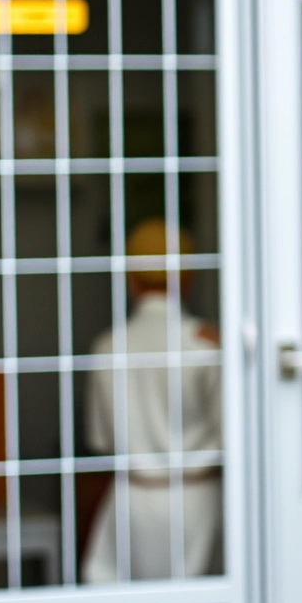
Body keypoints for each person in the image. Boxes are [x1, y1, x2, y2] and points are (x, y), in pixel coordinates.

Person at [82, 218, 222, 583]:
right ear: (187, 280)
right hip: (198, 499)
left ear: (131, 281)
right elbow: (229, 435)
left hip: (131, 498)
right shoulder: (206, 345)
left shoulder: (106, 346)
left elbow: (100, 440)